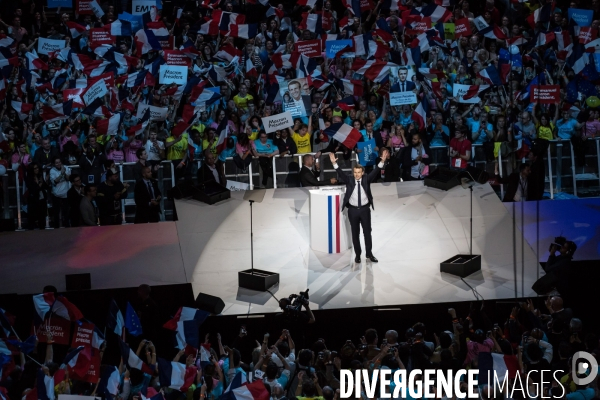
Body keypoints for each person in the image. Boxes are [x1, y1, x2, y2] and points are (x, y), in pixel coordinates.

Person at [329, 149, 390, 263]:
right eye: (355, 172)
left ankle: (369, 254)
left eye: (359, 172)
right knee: (355, 234)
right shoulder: (349, 179)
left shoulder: (367, 178)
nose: (357, 175)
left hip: (365, 210)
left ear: (362, 173)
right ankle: (358, 255)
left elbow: (376, 170)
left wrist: (382, 161)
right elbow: (341, 173)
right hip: (352, 211)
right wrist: (334, 163)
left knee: (367, 233)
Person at [49, 156, 71, 228]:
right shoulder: (52, 171)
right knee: (56, 213)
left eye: (59, 162)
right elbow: (55, 181)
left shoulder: (66, 168)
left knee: (66, 213)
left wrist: (64, 173)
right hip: (56, 195)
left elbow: (68, 179)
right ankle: (56, 228)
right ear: (54, 164)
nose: (58, 164)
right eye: (56, 163)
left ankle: (67, 227)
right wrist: (61, 174)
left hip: (66, 194)